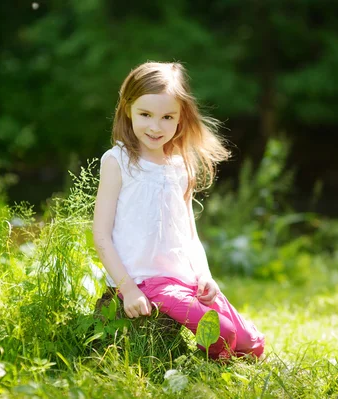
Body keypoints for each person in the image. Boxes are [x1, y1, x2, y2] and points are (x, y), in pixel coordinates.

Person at [92, 61, 265, 360]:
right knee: (223, 334)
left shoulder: (179, 164)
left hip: (183, 278)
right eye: (145, 114)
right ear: (128, 109)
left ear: (180, 118)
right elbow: (101, 236)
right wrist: (129, 289)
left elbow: (189, 232)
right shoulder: (118, 161)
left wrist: (204, 275)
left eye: (167, 117)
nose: (155, 127)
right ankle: (201, 364)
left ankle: (220, 352)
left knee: (249, 341)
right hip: (145, 279)